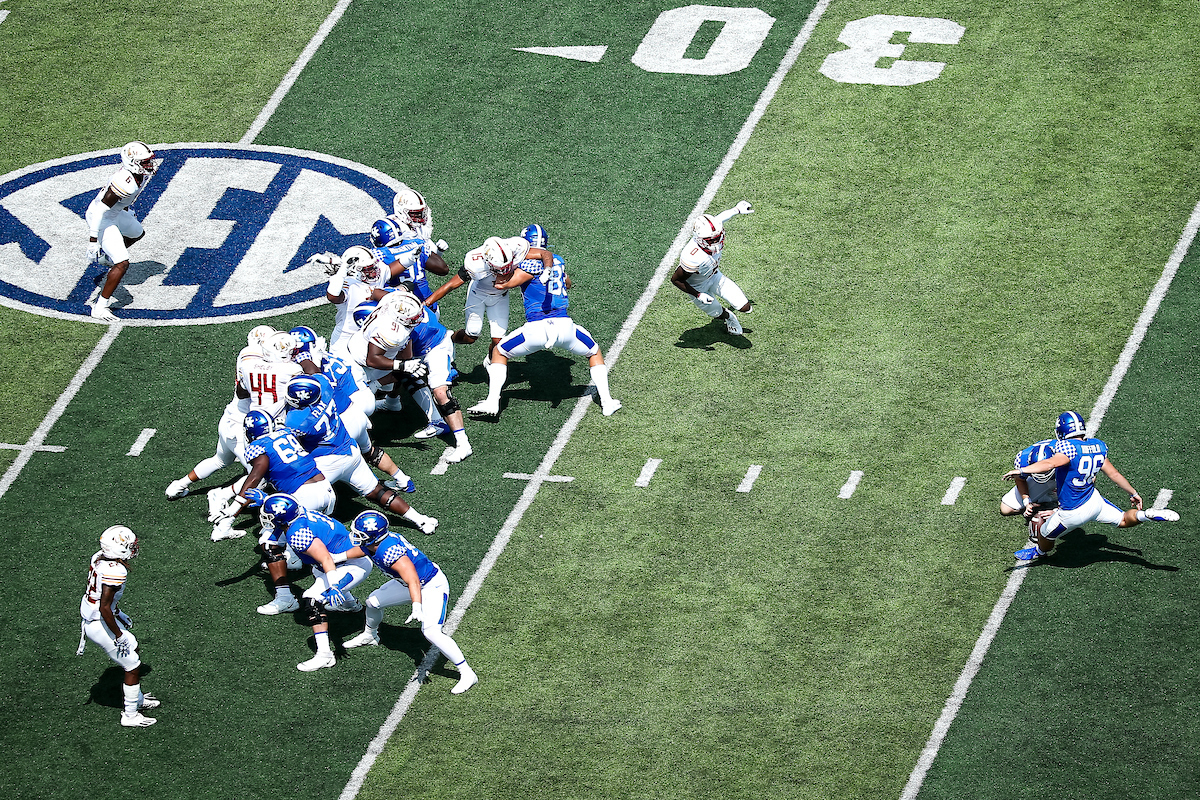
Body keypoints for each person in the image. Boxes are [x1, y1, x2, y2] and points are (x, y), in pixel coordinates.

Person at [468, 224, 620, 418]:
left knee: (499, 352)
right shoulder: (558, 260)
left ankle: (492, 402)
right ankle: (607, 402)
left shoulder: (528, 265)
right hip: (565, 327)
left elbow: (501, 285)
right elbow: (568, 283)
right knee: (594, 352)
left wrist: (498, 268)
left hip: (537, 327)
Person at [1003, 411, 1180, 561]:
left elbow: (1050, 464)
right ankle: (1145, 515)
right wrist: (1133, 492)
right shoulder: (1097, 445)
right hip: (1094, 501)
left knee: (1042, 533)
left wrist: (1022, 470)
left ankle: (1039, 552)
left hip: (1072, 512)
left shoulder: (1067, 449)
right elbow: (1114, 474)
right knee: (1124, 520)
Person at [342, 510, 478, 694]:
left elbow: (413, 579)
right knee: (373, 602)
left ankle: (467, 672)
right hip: (408, 583)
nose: (356, 537)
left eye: (361, 535)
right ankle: (370, 635)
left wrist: (417, 606)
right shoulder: (376, 543)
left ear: (373, 537)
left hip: (430, 585)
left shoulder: (390, 552)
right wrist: (338, 557)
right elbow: (363, 549)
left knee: (431, 631)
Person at [261, 494, 375, 672]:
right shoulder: (300, 513)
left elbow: (326, 559)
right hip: (340, 561)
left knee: (311, 600)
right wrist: (264, 499)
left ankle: (325, 655)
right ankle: (351, 606)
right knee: (317, 570)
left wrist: (335, 585)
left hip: (350, 565)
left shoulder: (298, 533)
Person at [165, 324, 275, 500]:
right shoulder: (252, 358)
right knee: (259, 476)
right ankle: (222, 498)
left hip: (230, 418)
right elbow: (245, 390)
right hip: (243, 427)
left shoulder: (248, 357)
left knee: (220, 460)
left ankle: (179, 485)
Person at [77, 525, 160, 727]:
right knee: (133, 665)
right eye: (129, 545)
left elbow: (102, 602)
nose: (133, 548)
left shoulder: (99, 558)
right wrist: (118, 634)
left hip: (98, 618)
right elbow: (104, 606)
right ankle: (130, 715)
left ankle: (137, 698)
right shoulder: (116, 571)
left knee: (134, 647)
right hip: (99, 623)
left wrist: (118, 613)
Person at [423, 235, 552, 350]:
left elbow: (545, 254)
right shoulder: (476, 265)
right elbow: (451, 285)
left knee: (499, 342)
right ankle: (449, 339)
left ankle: (491, 364)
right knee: (471, 335)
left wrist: (547, 269)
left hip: (500, 297)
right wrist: (427, 302)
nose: (504, 272)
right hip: (478, 295)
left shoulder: (516, 247)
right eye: (499, 269)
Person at [84, 141, 158, 322]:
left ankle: (108, 257)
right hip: (101, 218)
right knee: (123, 263)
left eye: (148, 160)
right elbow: (100, 210)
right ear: (132, 162)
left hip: (114, 213)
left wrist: (125, 210)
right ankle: (100, 307)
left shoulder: (136, 175)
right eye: (145, 161)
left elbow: (119, 202)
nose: (149, 164)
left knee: (137, 232)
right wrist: (93, 240)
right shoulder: (125, 182)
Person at [395, 298, 473, 463]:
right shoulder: (393, 300)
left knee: (440, 393)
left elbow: (406, 357)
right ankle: (393, 402)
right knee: (403, 372)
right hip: (419, 347)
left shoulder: (410, 324)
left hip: (436, 347)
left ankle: (463, 443)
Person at [670, 200, 755, 335]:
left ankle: (729, 312)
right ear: (699, 239)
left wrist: (736, 209)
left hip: (715, 276)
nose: (715, 242)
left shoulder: (712, 231)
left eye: (717, 238)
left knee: (746, 307)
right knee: (717, 312)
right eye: (711, 240)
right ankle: (729, 318)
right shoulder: (692, 255)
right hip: (698, 287)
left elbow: (720, 218)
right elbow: (676, 280)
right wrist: (698, 295)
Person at [999, 439, 1058, 517]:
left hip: (1063, 477)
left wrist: (1057, 511)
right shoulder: (1022, 459)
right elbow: (1020, 480)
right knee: (1006, 509)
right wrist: (1027, 502)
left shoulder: (1066, 455)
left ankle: (1053, 496)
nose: (1042, 475)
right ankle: (1046, 498)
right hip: (1048, 477)